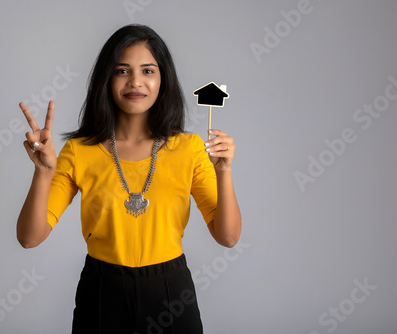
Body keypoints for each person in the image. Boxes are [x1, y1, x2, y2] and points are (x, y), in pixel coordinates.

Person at [16, 24, 241, 334]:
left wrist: (224, 171)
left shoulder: (188, 149)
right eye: (122, 71)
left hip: (170, 291)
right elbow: (30, 238)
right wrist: (43, 173)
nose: (135, 81)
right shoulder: (79, 151)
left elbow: (227, 237)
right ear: (106, 78)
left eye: (148, 70)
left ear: (163, 79)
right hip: (102, 292)